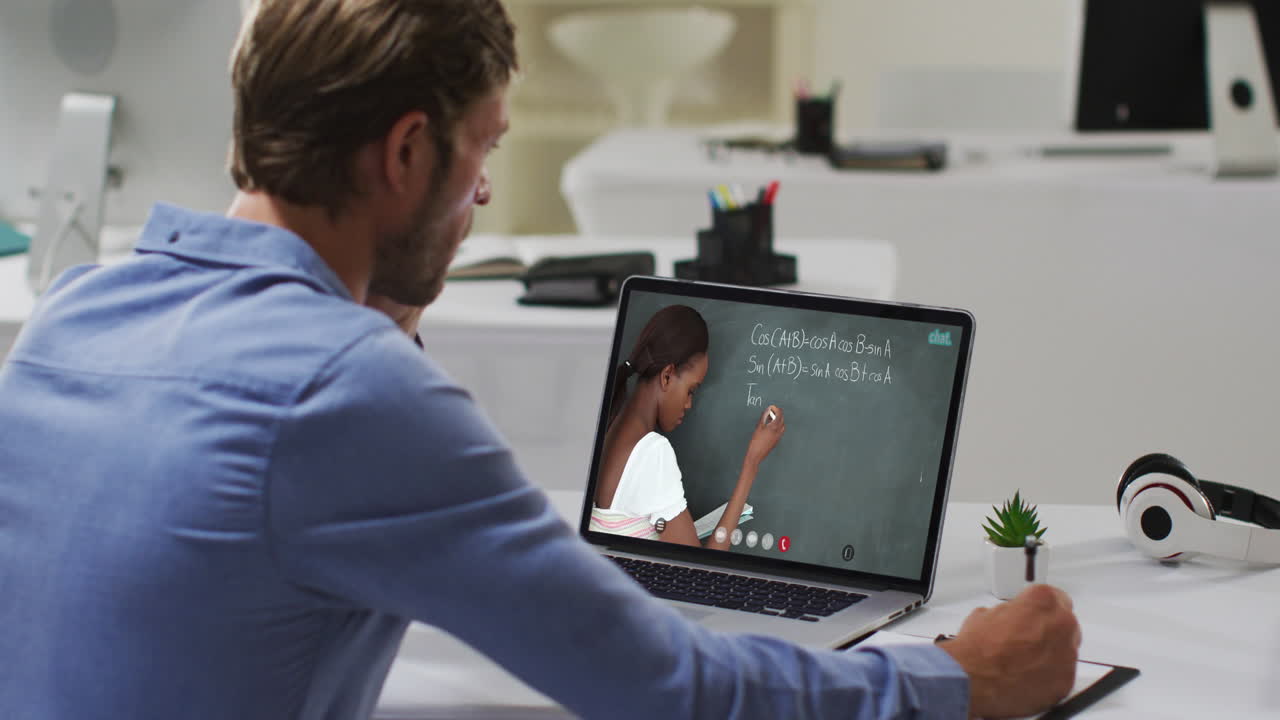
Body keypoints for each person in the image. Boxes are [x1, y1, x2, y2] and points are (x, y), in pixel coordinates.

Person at [0, 1, 1081, 718]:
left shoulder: (74, 314)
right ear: (407, 151)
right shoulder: (346, 392)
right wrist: (953, 680)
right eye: (484, 153)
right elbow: (663, 689)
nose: (479, 197)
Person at [591, 304, 785, 550]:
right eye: (691, 390)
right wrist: (752, 463)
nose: (689, 404)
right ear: (667, 376)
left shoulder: (609, 423)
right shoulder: (652, 452)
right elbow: (704, 572)